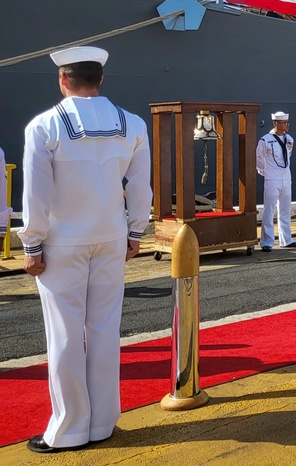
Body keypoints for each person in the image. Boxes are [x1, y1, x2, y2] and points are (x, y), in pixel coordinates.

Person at [18, 45, 151, 454]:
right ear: (102, 78)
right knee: (105, 331)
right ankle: (103, 422)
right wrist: (136, 233)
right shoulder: (132, 124)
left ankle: (70, 429)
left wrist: (32, 242)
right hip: (111, 238)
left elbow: (36, 192)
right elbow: (140, 186)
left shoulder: (44, 127)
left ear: (63, 79)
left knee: (64, 335)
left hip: (62, 243)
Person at [256, 111, 296, 251]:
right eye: (284, 123)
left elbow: (288, 156)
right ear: (276, 123)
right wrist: (265, 173)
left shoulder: (290, 139)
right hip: (272, 177)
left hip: (286, 177)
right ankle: (267, 242)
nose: (287, 125)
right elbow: (259, 158)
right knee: (269, 210)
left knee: (285, 210)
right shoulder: (265, 140)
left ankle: (286, 239)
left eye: (287, 122)